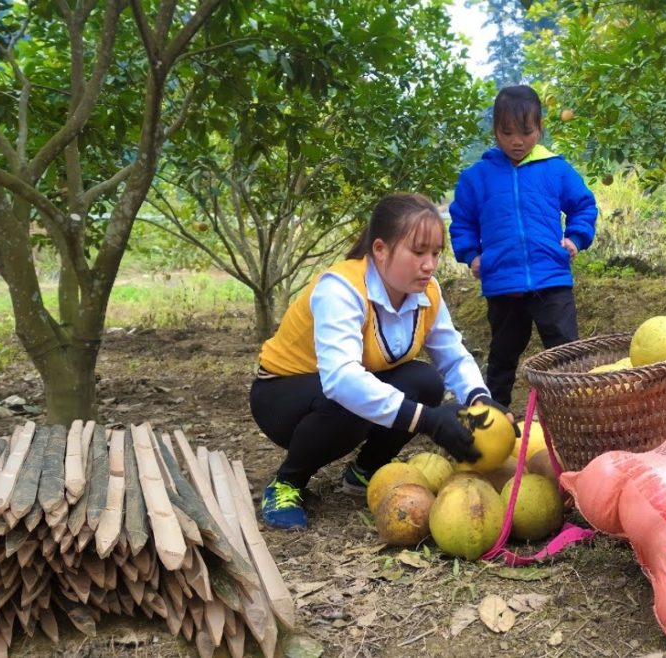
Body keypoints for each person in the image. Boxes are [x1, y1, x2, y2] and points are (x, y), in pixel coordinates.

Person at [249, 192, 512, 530]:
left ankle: (364, 471)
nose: (429, 264)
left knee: (425, 382)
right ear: (380, 250)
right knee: (347, 398)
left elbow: (452, 353)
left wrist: (479, 397)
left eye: (435, 253)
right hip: (283, 398)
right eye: (418, 252)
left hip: (342, 390)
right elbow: (342, 378)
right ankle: (288, 482)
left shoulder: (426, 293)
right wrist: (428, 421)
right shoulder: (341, 288)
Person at [449, 84, 598, 409]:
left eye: (526, 132)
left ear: (540, 128)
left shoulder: (556, 169)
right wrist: (472, 255)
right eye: (507, 132)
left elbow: (584, 206)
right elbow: (461, 220)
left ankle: (577, 414)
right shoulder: (478, 177)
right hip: (503, 283)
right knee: (502, 357)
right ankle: (495, 418)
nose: (517, 141)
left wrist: (575, 237)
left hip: (551, 279)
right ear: (495, 132)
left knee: (566, 353)